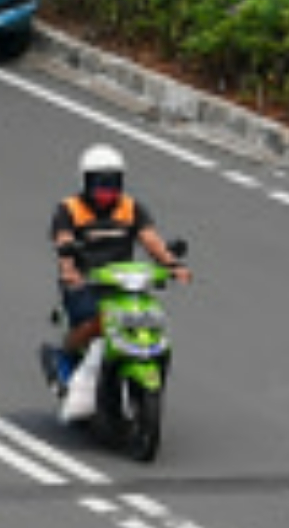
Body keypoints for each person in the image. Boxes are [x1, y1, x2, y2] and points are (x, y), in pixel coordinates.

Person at [44, 143, 187, 385]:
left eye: (113, 183)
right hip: (85, 283)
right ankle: (65, 357)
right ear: (86, 182)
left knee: (152, 320)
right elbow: (64, 243)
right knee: (93, 321)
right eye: (100, 183)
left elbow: (151, 240)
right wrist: (70, 272)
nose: (107, 190)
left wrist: (173, 265)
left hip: (122, 283)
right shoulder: (69, 209)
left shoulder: (131, 207)